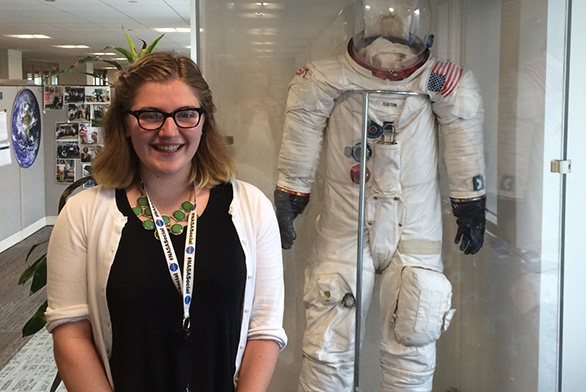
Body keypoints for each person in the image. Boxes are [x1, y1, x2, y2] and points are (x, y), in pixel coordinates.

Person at [274, 1, 486, 391]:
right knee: (328, 348)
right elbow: (301, 135)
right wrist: (291, 194)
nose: (391, 31)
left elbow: (463, 137)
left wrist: (470, 202)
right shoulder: (325, 77)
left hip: (413, 228)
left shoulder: (439, 80)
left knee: (414, 338)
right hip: (346, 226)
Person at [45, 52, 287, 392]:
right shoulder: (83, 213)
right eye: (151, 115)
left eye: (186, 114)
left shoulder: (251, 208)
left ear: (204, 121)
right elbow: (71, 333)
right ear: (126, 124)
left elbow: (265, 328)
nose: (169, 130)